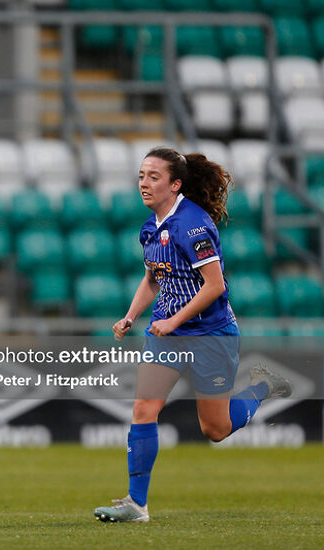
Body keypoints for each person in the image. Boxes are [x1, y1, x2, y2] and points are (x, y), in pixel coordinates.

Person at [93, 147, 291, 523]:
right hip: (167, 333)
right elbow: (154, 278)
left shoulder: (193, 225)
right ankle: (136, 505)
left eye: (154, 176)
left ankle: (263, 386)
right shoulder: (151, 227)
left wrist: (174, 320)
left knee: (214, 429)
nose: (144, 183)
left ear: (175, 183)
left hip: (211, 334)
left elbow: (214, 286)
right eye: (141, 175)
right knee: (143, 408)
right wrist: (131, 315)